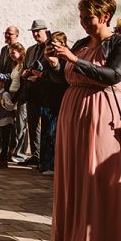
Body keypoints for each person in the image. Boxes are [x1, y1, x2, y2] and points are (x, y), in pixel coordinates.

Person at [46, 0, 121, 241]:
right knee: (73, 178)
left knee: (95, 180)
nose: (83, 23)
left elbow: (114, 75)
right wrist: (55, 66)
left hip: (104, 116)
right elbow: (66, 78)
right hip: (74, 114)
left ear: (105, 16)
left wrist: (73, 58)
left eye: (88, 17)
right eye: (81, 17)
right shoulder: (81, 43)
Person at [29, 31, 69, 177]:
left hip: (57, 100)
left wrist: (40, 77)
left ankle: (52, 164)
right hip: (46, 99)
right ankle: (45, 163)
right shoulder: (48, 58)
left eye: (54, 44)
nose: (51, 47)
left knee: (53, 133)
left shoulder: (65, 59)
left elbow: (59, 79)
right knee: (46, 132)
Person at [18, 20, 50, 166]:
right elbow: (24, 68)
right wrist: (25, 73)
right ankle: (35, 154)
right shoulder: (31, 50)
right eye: (33, 31)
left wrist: (39, 76)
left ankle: (45, 157)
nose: (35, 34)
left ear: (46, 31)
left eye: (38, 31)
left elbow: (53, 70)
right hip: (31, 92)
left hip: (45, 92)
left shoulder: (50, 48)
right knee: (32, 124)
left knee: (45, 127)